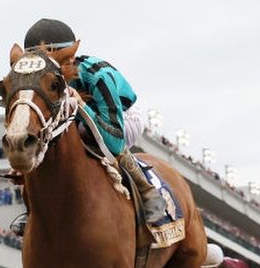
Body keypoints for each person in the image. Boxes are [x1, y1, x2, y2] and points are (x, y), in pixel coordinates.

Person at [9, 18, 166, 236]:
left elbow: (113, 139)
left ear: (69, 58)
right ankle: (33, 207)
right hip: (75, 116)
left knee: (91, 138)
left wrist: (81, 103)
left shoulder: (99, 76)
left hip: (120, 116)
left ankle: (147, 191)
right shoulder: (41, 79)